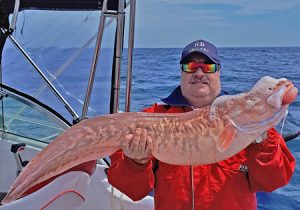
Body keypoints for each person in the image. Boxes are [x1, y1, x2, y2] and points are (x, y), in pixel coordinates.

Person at [107, 39, 295, 210]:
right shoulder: (151, 118)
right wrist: (136, 162)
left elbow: (273, 181)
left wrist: (261, 138)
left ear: (219, 71)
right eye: (190, 66)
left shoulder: (247, 118)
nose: (199, 73)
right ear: (182, 72)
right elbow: (132, 191)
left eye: (208, 66)